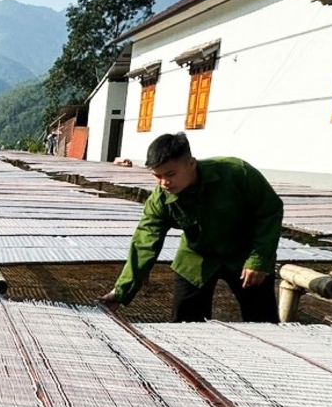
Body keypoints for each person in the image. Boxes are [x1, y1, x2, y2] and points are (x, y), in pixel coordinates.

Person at [98, 132, 283, 322]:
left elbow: (270, 211)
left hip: (244, 255)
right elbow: (145, 242)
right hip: (196, 258)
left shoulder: (237, 173)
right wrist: (121, 291)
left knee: (262, 322)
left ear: (192, 164)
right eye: (157, 176)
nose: (164, 183)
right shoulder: (161, 199)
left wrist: (259, 259)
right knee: (185, 325)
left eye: (170, 174)